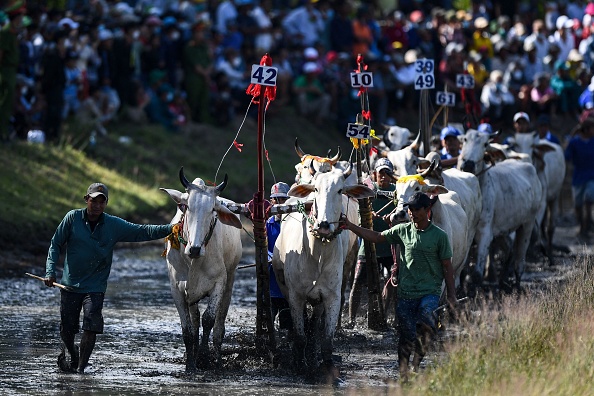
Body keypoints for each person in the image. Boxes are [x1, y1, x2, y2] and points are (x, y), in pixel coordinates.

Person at [44, 183, 177, 374]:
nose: (97, 205)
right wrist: (50, 272)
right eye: (93, 201)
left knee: (91, 326)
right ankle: (73, 353)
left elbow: (142, 231)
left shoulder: (113, 225)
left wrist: (172, 229)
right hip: (70, 285)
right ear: (86, 200)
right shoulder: (72, 218)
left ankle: (81, 370)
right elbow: (55, 244)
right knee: (67, 331)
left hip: (95, 286)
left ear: (106, 204)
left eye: (101, 201)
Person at [340, 191, 456, 382]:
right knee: (406, 334)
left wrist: (451, 294)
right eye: (410, 209)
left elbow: (447, 266)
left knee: (427, 326)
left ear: (427, 210)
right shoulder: (402, 231)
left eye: (416, 209)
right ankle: (403, 373)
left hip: (430, 292)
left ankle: (417, 365)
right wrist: (351, 226)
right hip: (406, 293)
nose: (412, 213)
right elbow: (377, 237)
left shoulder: (439, 236)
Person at [348, 158, 396, 327]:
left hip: (390, 246)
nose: (384, 176)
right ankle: (352, 320)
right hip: (368, 243)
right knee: (357, 281)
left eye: (387, 173)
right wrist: (368, 217)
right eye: (381, 173)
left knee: (394, 281)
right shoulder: (367, 190)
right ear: (375, 174)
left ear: (392, 175)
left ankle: (386, 315)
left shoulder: (398, 192)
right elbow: (360, 217)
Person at [266, 182, 292, 332]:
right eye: (276, 200)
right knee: (268, 324)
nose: (279, 204)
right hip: (270, 281)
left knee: (288, 326)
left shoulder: (294, 224)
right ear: (271, 202)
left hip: (289, 283)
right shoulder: (267, 225)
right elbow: (262, 247)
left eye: (283, 200)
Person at [565, 117, 594, 239]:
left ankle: (586, 227)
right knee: (577, 205)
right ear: (586, 130)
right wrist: (571, 136)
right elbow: (567, 156)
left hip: (591, 176)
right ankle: (581, 225)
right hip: (578, 177)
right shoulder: (575, 142)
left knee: (588, 199)